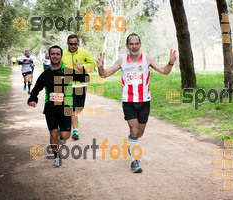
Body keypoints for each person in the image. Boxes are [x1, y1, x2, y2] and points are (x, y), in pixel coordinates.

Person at [96, 33, 177, 173]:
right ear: (127, 46)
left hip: (144, 101)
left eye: (136, 44)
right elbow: (104, 74)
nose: (134, 46)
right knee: (134, 130)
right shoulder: (122, 61)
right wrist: (101, 67)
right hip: (128, 101)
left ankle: (131, 143)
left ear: (140, 45)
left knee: (139, 133)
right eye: (131, 44)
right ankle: (135, 161)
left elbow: (164, 71)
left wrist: (171, 62)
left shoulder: (147, 59)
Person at [28, 45, 89, 167]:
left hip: (66, 108)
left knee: (64, 135)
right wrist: (32, 99)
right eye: (53, 54)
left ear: (61, 56)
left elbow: (85, 79)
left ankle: (60, 140)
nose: (55, 56)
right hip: (51, 108)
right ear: (49, 56)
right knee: (53, 133)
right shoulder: (45, 75)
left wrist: (81, 69)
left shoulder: (67, 71)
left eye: (57, 54)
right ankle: (56, 156)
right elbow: (35, 90)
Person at [61, 34, 96, 140]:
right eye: (71, 44)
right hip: (68, 85)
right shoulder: (63, 54)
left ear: (78, 43)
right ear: (67, 43)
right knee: (72, 108)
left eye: (75, 44)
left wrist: (82, 66)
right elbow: (58, 66)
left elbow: (93, 65)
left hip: (81, 84)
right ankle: (75, 130)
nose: (73, 46)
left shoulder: (84, 52)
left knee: (79, 108)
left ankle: (74, 118)